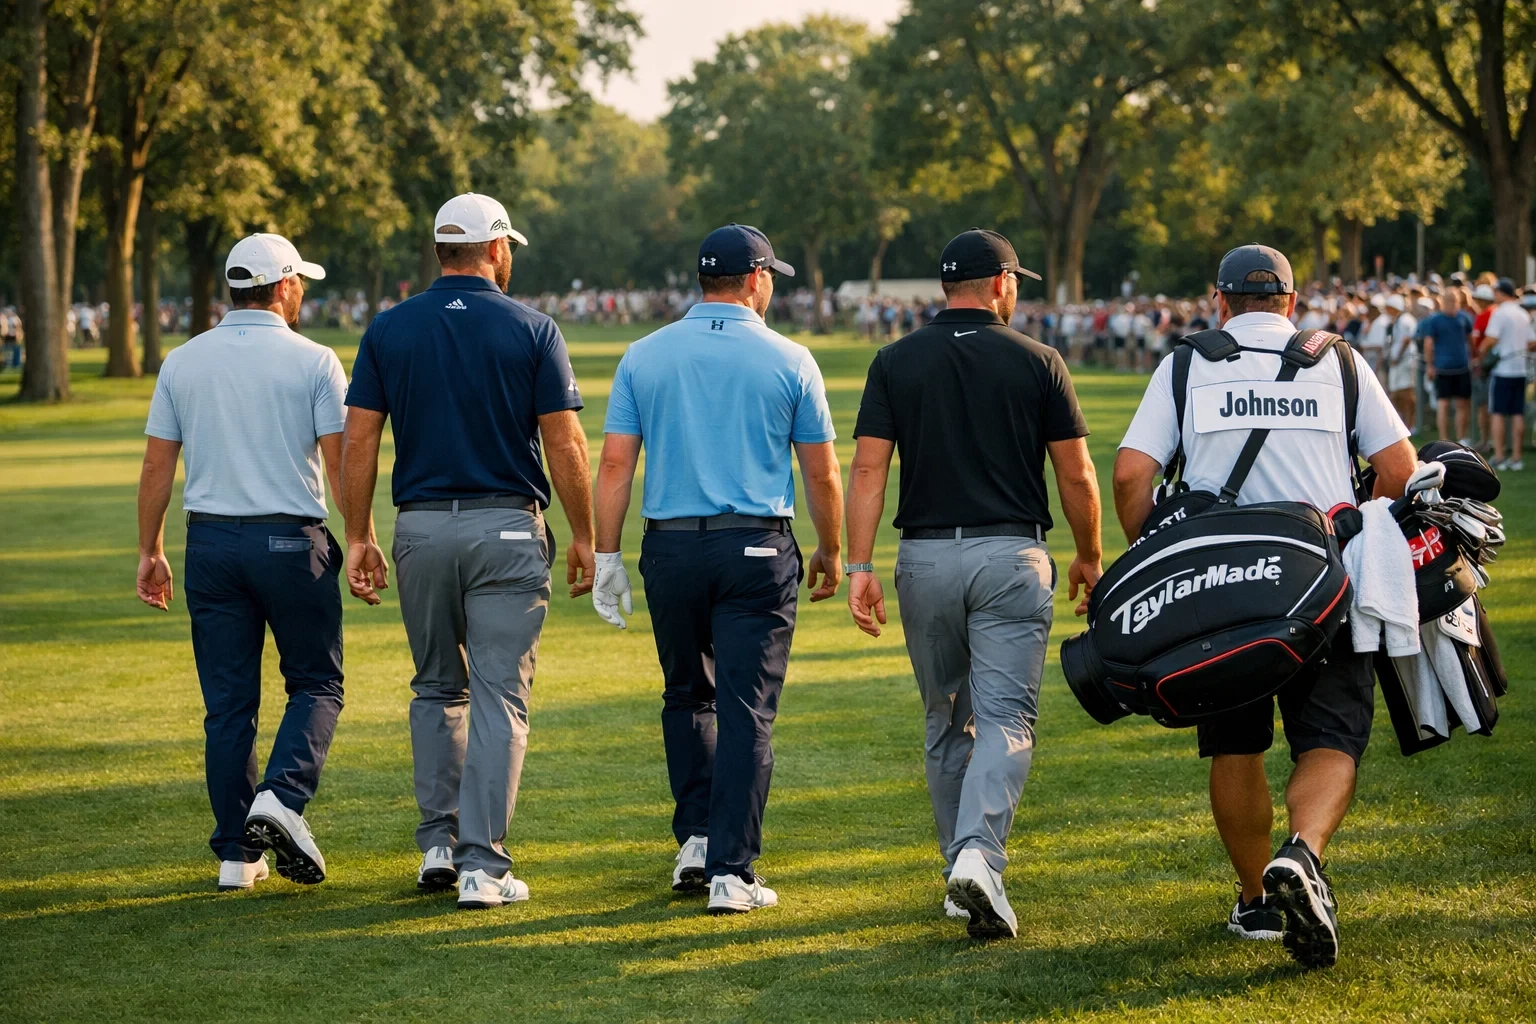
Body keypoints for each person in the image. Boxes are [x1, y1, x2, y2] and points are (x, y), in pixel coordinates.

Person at [1113, 244, 1415, 969]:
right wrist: (1349, 521)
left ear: (1219, 301)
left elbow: (1131, 475)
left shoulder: (1187, 362)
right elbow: (1400, 470)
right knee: (1331, 737)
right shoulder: (1336, 359)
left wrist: (1156, 551)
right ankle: (1304, 853)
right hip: (1324, 584)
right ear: (1292, 300)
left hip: (1224, 591)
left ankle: (1255, 902)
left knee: (1235, 742)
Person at [844, 229, 1104, 940]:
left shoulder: (895, 360)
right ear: (1000, 285)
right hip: (1011, 557)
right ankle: (979, 860)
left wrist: (859, 567)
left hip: (925, 559)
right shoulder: (1040, 361)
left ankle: (960, 870)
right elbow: (1077, 473)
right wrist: (1089, 553)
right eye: (1017, 281)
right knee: (1006, 720)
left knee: (944, 720)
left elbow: (868, 471)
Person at [338, 193, 596, 909]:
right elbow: (565, 441)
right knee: (499, 696)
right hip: (507, 528)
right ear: (495, 249)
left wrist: (357, 535)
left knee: (434, 688)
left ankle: (438, 846)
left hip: (420, 528)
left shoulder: (389, 329)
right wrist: (586, 535)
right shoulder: (533, 327)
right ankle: (483, 865)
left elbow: (359, 440)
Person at [590, 224, 844, 915]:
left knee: (686, 695)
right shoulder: (790, 358)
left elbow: (616, 463)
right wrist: (833, 549)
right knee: (745, 711)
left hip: (670, 547)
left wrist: (606, 555)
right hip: (757, 547)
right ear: (757, 279)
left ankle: (698, 842)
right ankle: (732, 869)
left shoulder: (644, 355)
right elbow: (819, 471)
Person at [136, 233, 346, 892]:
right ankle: (279, 799)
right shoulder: (315, 359)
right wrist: (362, 536)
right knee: (316, 683)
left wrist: (150, 550)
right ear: (284, 285)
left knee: (228, 707)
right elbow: (339, 462)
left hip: (211, 546)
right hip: (290, 541)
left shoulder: (183, 360)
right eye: (300, 282)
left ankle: (237, 856)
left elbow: (157, 464)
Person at [1482, 277, 1536, 470]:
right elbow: (1532, 342)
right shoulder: (1523, 313)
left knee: (1498, 413)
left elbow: (1490, 339)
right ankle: (1516, 457)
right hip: (1519, 370)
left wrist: (1480, 355)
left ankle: (1498, 455)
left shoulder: (1499, 313)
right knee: (1517, 414)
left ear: (1501, 292)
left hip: (1503, 369)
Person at [1419, 289, 1474, 442]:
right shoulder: (1435, 320)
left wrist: (1474, 358)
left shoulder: (1464, 318)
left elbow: (1470, 340)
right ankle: (1444, 439)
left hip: (1461, 367)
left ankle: (1461, 438)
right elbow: (1428, 344)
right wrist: (1430, 365)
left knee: (1461, 405)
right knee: (1443, 404)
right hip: (1443, 368)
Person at [1386, 293, 1419, 429]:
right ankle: (1402, 423)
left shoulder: (1405, 320)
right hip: (1397, 361)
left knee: (1406, 394)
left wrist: (1397, 357)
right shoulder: (1397, 320)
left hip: (1405, 361)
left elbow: (1406, 339)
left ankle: (1410, 423)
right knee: (1395, 394)